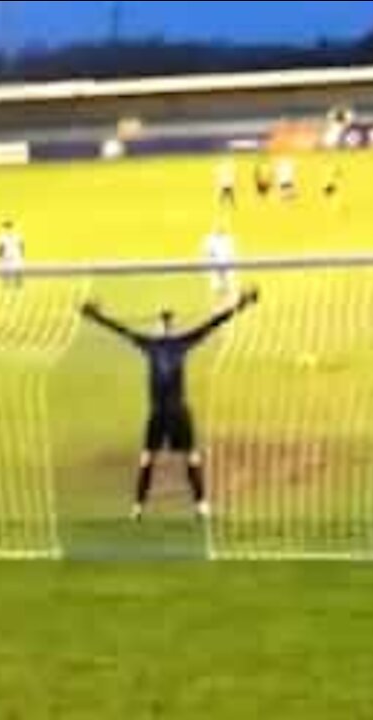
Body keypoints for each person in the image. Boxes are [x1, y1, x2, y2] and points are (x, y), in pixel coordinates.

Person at [80, 288, 261, 522]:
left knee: (164, 458)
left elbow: (121, 330)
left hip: (165, 412)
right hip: (173, 412)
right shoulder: (174, 342)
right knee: (176, 458)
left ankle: (148, 508)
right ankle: (181, 507)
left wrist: (95, 316)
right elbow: (213, 324)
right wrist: (242, 304)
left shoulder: (153, 343)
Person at [203, 221, 237, 306]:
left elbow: (230, 255)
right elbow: (209, 254)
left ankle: (224, 302)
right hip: (219, 272)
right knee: (219, 292)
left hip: (224, 272)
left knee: (225, 290)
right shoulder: (212, 241)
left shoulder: (227, 241)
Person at [0, 220, 25, 290]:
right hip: (8, 258)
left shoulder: (16, 236)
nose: (8, 229)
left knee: (16, 272)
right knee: (8, 272)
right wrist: (0, 256)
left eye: (8, 226)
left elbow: (21, 246)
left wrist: (0, 256)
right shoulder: (2, 237)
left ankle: (16, 284)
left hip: (14, 257)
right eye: (6, 226)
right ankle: (9, 284)